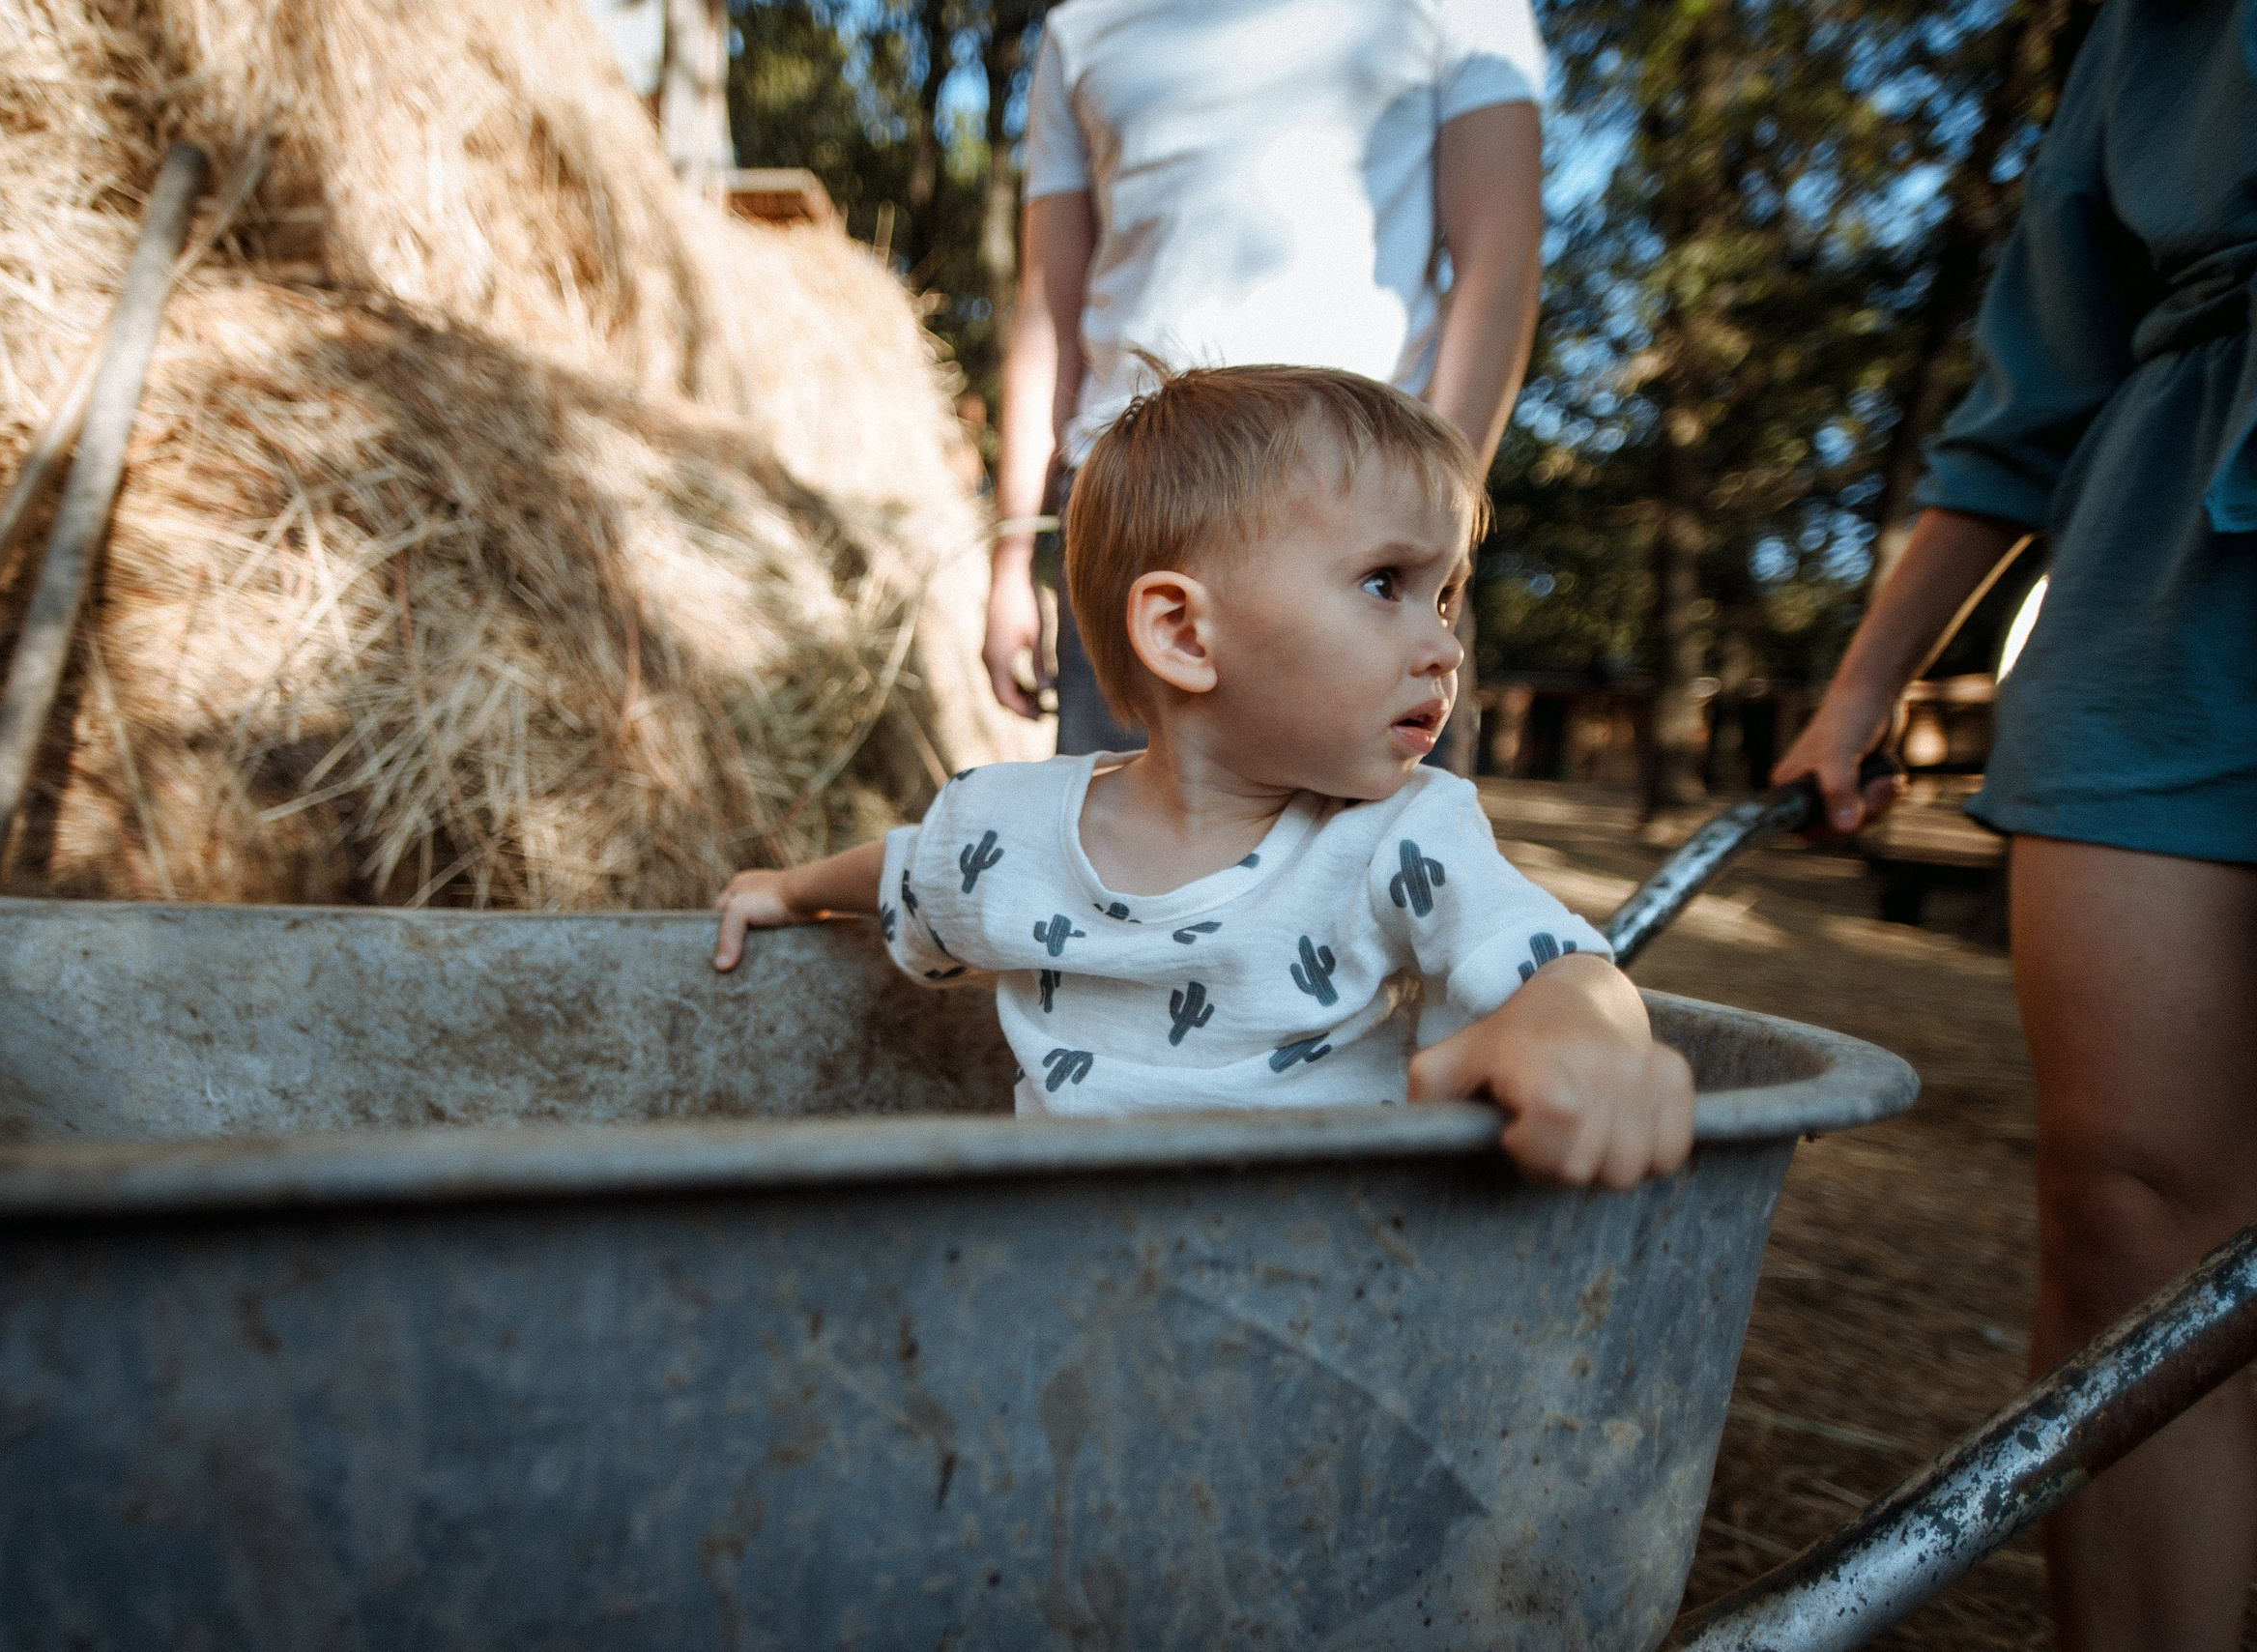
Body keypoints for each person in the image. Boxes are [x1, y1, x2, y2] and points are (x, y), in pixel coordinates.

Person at [716, 365, 1693, 1188]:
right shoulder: (1001, 827)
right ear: (1183, 632)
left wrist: (1575, 1025)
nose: (1443, 643)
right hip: (1062, 1277)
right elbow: (907, 870)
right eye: (1384, 583)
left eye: (1445, 595)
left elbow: (1559, 962)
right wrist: (787, 889)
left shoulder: (1399, 834)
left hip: (1322, 1280)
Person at [1775, 2, 2257, 1645]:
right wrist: (1863, 686)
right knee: (2129, 1208)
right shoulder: (2148, 32)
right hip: (2170, 575)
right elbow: (2040, 375)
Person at [982, 0, 1548, 764]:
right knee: (1115, 852)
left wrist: (1431, 526)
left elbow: (1499, 263)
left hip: (1363, 505)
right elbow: (1048, 308)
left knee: (1388, 858)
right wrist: (1014, 558)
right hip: (1133, 509)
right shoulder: (1080, 26)